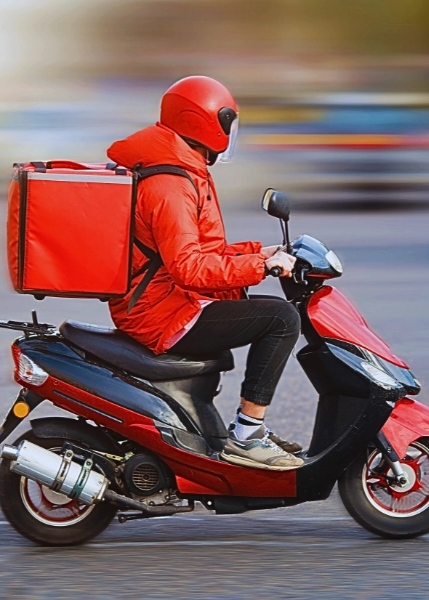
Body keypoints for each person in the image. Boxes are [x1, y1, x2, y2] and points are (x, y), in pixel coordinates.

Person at [106, 76, 303, 470]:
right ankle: (248, 435)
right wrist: (260, 267)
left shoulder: (184, 168)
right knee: (280, 319)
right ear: (204, 122)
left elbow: (199, 251)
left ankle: (232, 432)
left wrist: (257, 252)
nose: (230, 134)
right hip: (161, 312)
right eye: (227, 123)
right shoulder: (170, 185)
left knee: (257, 310)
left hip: (168, 301)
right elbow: (189, 267)